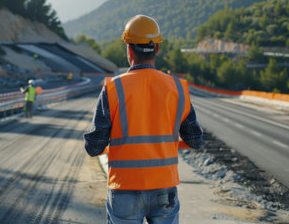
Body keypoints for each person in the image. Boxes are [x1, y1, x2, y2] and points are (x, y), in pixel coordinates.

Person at [84, 15, 203, 224]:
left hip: (124, 189)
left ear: (129, 49)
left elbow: (94, 147)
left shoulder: (113, 88)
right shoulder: (177, 88)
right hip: (165, 188)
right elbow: (195, 140)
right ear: (157, 49)